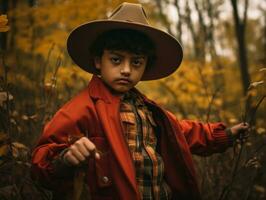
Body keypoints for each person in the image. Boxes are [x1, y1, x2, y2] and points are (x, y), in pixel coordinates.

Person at [31, 2, 249, 200]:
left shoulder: (149, 110)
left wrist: (226, 135)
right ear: (98, 60)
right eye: (116, 59)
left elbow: (185, 133)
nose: (126, 70)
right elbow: (41, 163)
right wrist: (65, 160)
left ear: (146, 66)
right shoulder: (81, 109)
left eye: (136, 62)